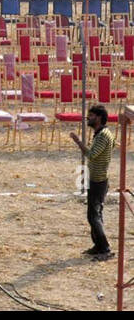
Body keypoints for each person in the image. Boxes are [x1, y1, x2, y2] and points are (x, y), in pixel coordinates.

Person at [70, 105, 115, 259]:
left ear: (99, 118)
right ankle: (98, 245)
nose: (88, 118)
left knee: (93, 215)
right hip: (98, 177)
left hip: (98, 179)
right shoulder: (102, 133)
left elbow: (91, 154)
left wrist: (78, 142)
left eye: (91, 116)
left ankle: (105, 248)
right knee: (96, 213)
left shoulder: (103, 135)